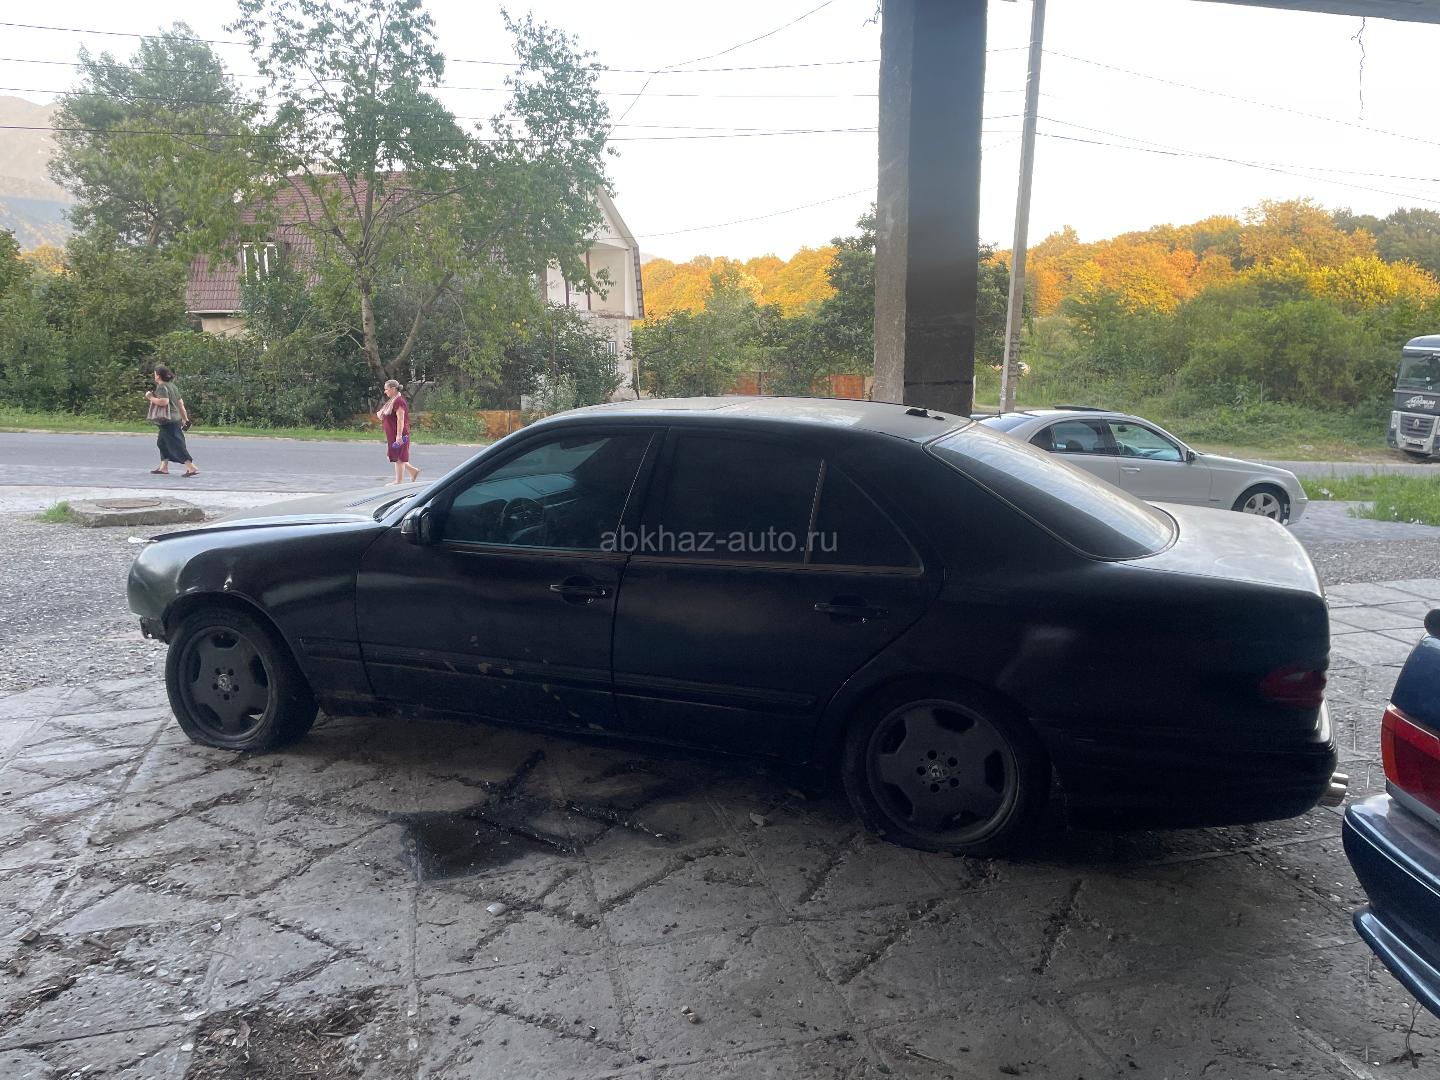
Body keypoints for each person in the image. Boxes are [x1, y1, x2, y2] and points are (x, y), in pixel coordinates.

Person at [145, 365, 198, 477]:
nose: (154, 376)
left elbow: (163, 402)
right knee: (162, 443)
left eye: (155, 374)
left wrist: (150, 397)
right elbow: (180, 404)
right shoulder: (173, 386)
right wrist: (185, 419)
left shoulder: (161, 387)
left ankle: (191, 467)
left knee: (176, 444)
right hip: (175, 419)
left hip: (167, 420)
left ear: (158, 376)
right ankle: (163, 467)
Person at [377, 379, 420, 485]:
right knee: (394, 455)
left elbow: (401, 419)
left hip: (400, 434)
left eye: (386, 389)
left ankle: (398, 481)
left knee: (398, 458)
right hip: (393, 434)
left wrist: (399, 436)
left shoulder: (399, 402)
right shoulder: (392, 401)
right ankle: (413, 471)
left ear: (393, 389)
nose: (385, 391)